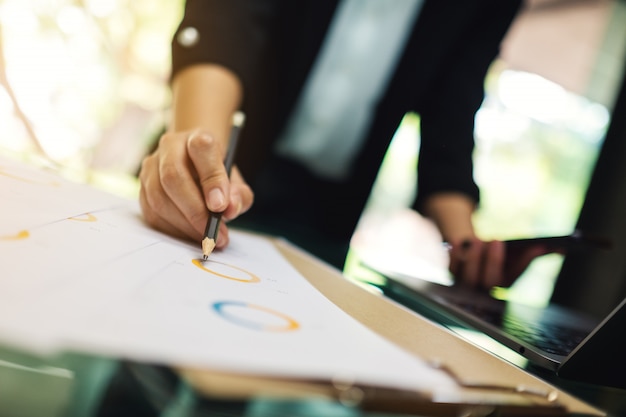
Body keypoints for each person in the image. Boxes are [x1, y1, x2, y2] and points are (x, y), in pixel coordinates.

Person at [139, 0, 546, 289]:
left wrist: (467, 248)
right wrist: (200, 147)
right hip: (225, 170)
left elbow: (452, 114)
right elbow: (224, 23)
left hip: (326, 222)